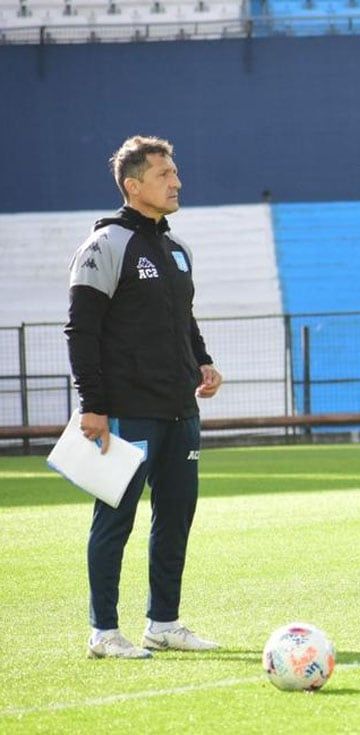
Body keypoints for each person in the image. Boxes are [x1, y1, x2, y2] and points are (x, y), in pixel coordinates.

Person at [65, 136, 224, 658]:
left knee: (176, 514)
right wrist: (92, 405)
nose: (176, 181)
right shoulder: (105, 244)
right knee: (115, 517)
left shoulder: (179, 249)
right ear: (134, 186)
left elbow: (184, 319)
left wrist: (202, 360)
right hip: (125, 410)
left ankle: (164, 622)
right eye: (164, 174)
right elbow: (81, 330)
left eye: (175, 172)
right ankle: (104, 631)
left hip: (181, 407)